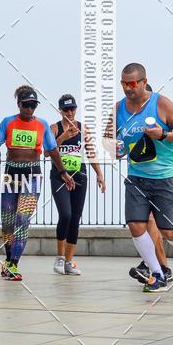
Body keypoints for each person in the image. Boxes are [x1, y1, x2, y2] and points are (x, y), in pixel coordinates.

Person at [0, 85, 75, 281]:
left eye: (33, 105)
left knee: (23, 219)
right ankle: (8, 261)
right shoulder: (8, 122)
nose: (30, 109)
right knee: (8, 222)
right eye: (26, 105)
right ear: (19, 105)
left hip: (32, 175)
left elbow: (53, 151)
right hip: (11, 174)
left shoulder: (41, 125)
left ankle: (14, 264)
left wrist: (64, 173)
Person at [112, 63, 173, 292]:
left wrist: (163, 134)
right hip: (137, 177)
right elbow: (113, 141)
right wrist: (117, 150)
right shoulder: (117, 109)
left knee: (168, 230)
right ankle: (157, 274)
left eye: (133, 83)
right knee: (135, 225)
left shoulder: (161, 103)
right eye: (124, 83)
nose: (128, 88)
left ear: (144, 82)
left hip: (165, 176)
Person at [50, 94, 106, 275]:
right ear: (60, 111)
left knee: (75, 217)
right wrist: (64, 137)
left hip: (79, 175)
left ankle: (69, 261)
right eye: (66, 109)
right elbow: (46, 152)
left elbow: (90, 152)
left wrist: (99, 173)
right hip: (60, 176)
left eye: (72, 108)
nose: (70, 112)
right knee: (65, 214)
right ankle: (59, 257)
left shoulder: (83, 128)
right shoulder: (54, 128)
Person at [127, 85, 172, 284]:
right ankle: (153, 266)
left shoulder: (159, 114)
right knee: (143, 225)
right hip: (139, 180)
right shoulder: (131, 119)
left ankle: (162, 268)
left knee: (159, 227)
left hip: (162, 180)